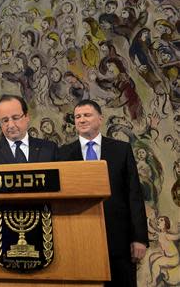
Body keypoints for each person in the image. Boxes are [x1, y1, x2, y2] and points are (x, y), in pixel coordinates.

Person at [58, 99, 148, 287]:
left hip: (120, 242)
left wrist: (139, 238)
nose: (82, 120)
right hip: (80, 239)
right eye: (78, 117)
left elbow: (134, 195)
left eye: (87, 115)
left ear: (100, 119)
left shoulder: (121, 150)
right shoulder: (63, 154)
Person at [0, 94, 57, 165]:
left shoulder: (49, 149)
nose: (11, 125)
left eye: (16, 118)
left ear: (26, 117)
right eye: (5, 120)